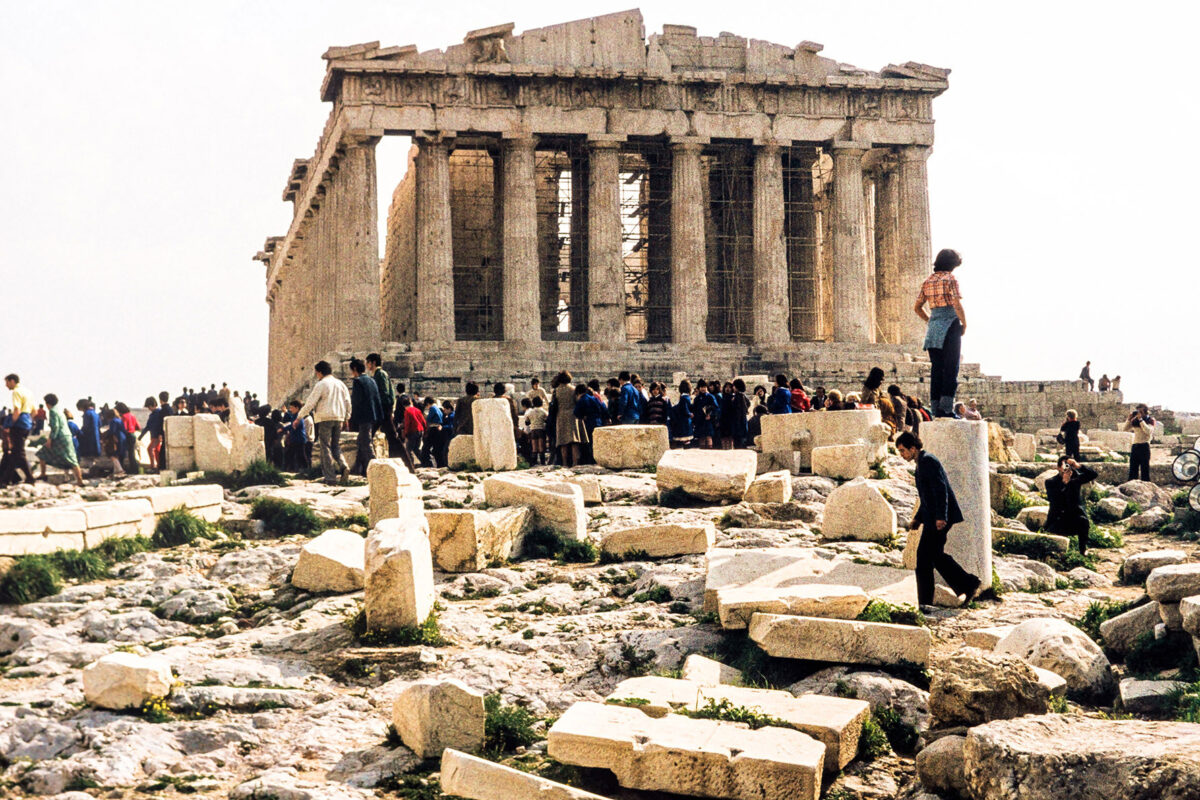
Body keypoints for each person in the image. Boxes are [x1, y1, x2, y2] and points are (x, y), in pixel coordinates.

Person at [897, 431, 982, 608]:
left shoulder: (928, 461)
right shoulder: (922, 462)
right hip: (933, 517)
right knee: (934, 556)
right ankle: (968, 583)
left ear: (913, 448)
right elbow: (927, 496)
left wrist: (941, 517)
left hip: (940, 517)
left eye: (903, 450)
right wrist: (918, 518)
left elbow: (940, 489)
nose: (902, 455)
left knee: (924, 559)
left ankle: (927, 602)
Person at [914, 249, 968, 417]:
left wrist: (931, 320)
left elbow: (917, 308)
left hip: (934, 327)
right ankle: (946, 408)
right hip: (950, 324)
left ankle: (936, 408)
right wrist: (964, 323)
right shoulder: (950, 279)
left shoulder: (927, 281)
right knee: (951, 368)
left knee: (937, 369)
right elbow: (957, 305)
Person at [293, 360, 351, 485]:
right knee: (335, 445)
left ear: (319, 372)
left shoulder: (321, 384)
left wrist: (299, 417)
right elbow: (348, 402)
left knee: (325, 446)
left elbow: (310, 402)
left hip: (325, 418)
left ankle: (330, 477)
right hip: (339, 417)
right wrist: (347, 418)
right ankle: (343, 465)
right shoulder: (341, 384)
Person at [1044, 456, 1099, 555]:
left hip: (1073, 516)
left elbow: (1093, 474)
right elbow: (1055, 501)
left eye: (1069, 466)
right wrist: (1064, 483)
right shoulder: (1050, 482)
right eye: (1064, 466)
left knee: (1083, 521)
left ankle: (1082, 550)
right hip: (1058, 518)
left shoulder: (1076, 479)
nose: (1067, 469)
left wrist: (1078, 466)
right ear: (1058, 468)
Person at [35, 394, 83, 485]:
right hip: (67, 436)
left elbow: (55, 427)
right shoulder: (59, 411)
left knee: (42, 453)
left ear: (47, 403)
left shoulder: (52, 411)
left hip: (59, 437)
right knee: (72, 459)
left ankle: (43, 474)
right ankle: (80, 481)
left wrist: (50, 439)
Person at [348, 358, 383, 476]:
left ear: (354, 369)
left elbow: (356, 401)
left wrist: (351, 418)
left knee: (366, 442)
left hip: (364, 417)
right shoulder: (371, 380)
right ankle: (358, 469)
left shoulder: (358, 381)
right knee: (361, 441)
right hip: (375, 415)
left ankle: (376, 468)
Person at [366, 354, 400, 457]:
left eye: (368, 363)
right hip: (383, 410)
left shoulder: (380, 374)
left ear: (373, 363)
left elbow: (384, 393)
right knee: (391, 436)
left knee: (369, 435)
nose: (367, 365)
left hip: (383, 410)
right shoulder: (379, 374)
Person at [3, 374, 35, 484]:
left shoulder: (16, 392)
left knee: (18, 453)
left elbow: (17, 410)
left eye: (7, 382)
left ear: (12, 381)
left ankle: (29, 477)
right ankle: (5, 480)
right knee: (16, 453)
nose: (6, 385)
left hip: (19, 424)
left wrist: (10, 425)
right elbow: (34, 411)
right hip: (27, 423)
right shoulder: (28, 392)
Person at [552, 372, 584, 467]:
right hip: (572, 415)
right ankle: (575, 462)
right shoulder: (573, 389)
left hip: (561, 416)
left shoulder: (556, 391)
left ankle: (564, 463)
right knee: (574, 441)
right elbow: (577, 401)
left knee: (563, 441)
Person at [573, 383, 606, 465]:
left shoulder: (582, 400)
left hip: (589, 423)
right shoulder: (594, 398)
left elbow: (576, 412)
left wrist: (583, 416)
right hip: (598, 422)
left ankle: (590, 460)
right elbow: (603, 408)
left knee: (589, 443)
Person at [1122, 404, 1155, 482]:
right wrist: (1128, 420)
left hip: (1144, 446)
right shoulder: (1134, 420)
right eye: (1138, 411)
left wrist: (1141, 420)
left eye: (1141, 411)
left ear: (1146, 412)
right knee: (1133, 470)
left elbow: (1148, 431)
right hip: (1135, 446)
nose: (1139, 413)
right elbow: (1125, 429)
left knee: (1145, 470)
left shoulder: (1150, 420)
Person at [139, 396, 164, 471]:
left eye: (149, 406)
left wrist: (141, 436)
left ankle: (153, 466)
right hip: (154, 435)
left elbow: (148, 426)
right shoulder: (157, 413)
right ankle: (158, 465)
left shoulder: (156, 413)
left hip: (156, 436)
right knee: (156, 451)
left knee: (150, 449)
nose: (149, 408)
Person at [692, 380, 719, 449]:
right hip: (700, 421)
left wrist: (711, 415)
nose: (703, 389)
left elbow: (716, 408)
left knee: (709, 437)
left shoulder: (710, 397)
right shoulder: (697, 399)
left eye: (704, 387)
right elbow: (694, 410)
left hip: (708, 421)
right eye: (701, 387)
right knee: (701, 437)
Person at [100, 407, 127, 478]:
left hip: (116, 438)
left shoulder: (113, 421)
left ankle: (120, 469)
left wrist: (104, 437)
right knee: (118, 455)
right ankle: (116, 471)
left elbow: (112, 431)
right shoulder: (119, 420)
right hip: (122, 437)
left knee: (112, 454)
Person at [421, 397, 445, 468]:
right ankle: (440, 464)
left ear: (428, 403)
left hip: (433, 429)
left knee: (426, 447)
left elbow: (428, 419)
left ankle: (427, 463)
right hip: (438, 429)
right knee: (436, 448)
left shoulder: (432, 408)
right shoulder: (438, 408)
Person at [669, 380, 694, 448]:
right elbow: (684, 408)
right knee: (686, 439)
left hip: (683, 420)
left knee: (685, 439)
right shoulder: (685, 398)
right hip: (685, 421)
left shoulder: (683, 397)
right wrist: (689, 414)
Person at [525, 395, 549, 465]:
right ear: (541, 403)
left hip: (533, 430)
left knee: (534, 447)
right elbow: (547, 420)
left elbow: (527, 422)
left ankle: (534, 462)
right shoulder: (543, 411)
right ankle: (542, 462)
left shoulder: (530, 412)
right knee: (541, 447)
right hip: (541, 430)